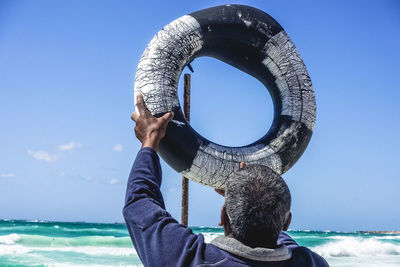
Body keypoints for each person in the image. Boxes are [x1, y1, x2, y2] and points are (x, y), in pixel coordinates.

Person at [123, 94, 329, 266]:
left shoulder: (189, 259)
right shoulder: (312, 263)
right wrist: (247, 193)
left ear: (224, 217)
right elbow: (279, 239)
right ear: (287, 223)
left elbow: (140, 203)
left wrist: (149, 140)